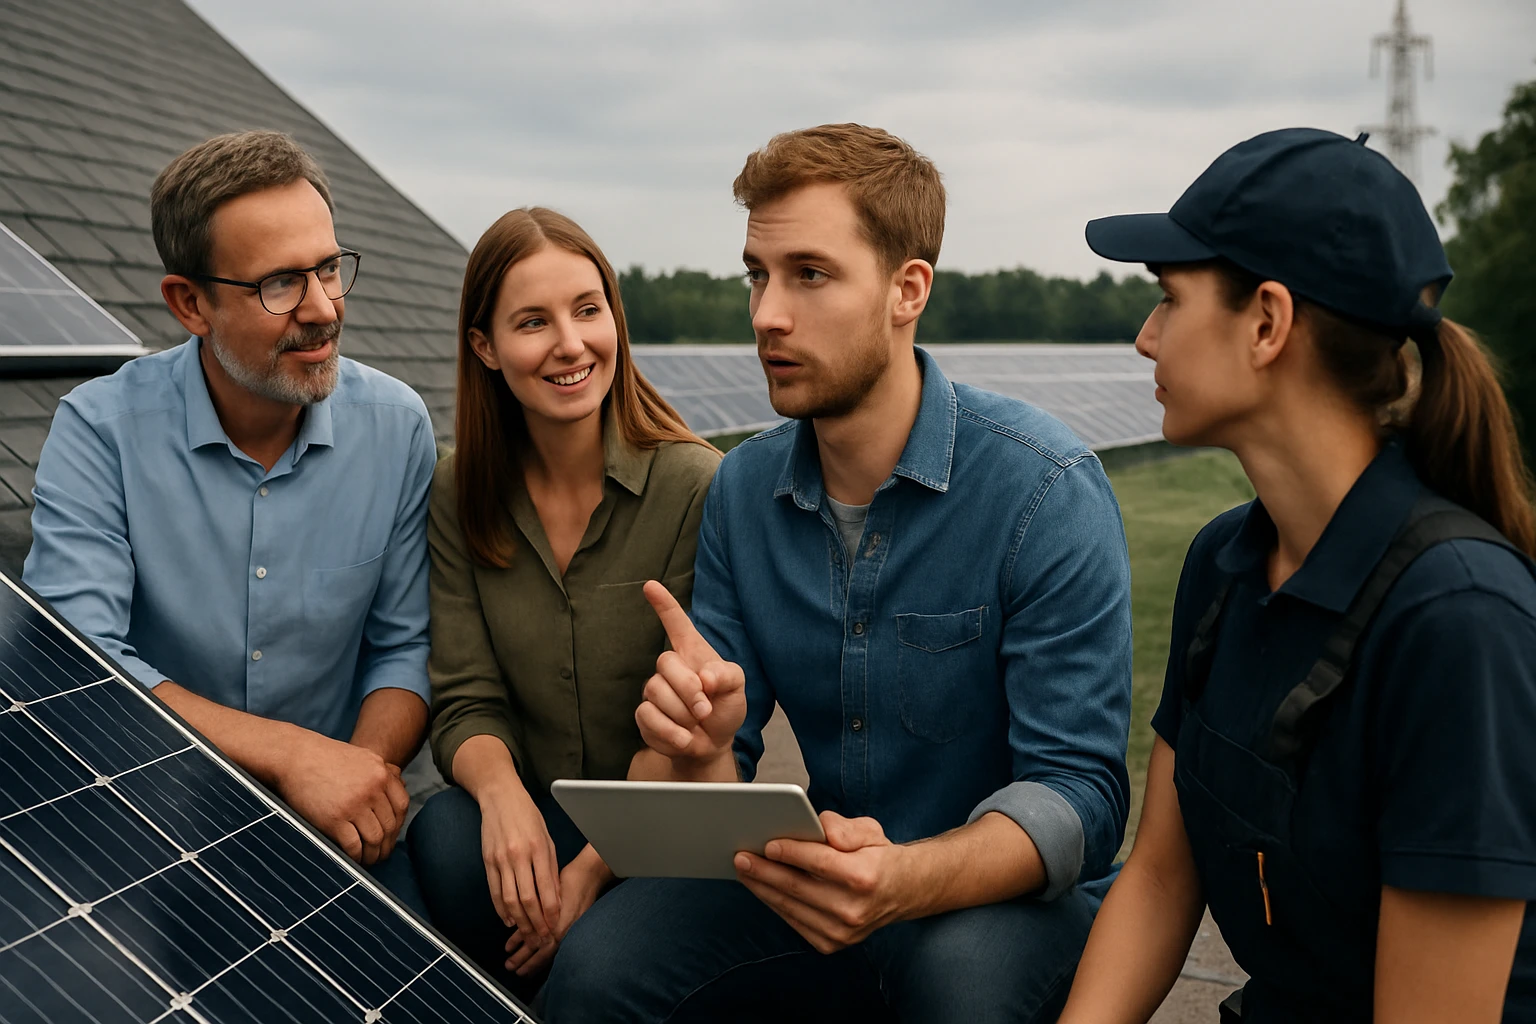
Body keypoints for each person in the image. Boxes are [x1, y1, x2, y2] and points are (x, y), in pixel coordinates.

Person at [539, 124, 1134, 1023]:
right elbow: (721, 778)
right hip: (820, 873)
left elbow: (1081, 796)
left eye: (810, 275)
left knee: (959, 984)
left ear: (908, 291)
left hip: (998, 903)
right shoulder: (744, 489)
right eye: (758, 275)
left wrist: (905, 878)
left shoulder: (1044, 489)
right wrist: (699, 747)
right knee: (598, 966)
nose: (767, 314)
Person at [1059, 128, 1536, 1023]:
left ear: (1269, 322)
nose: (1144, 336)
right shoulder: (1225, 564)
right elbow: (1162, 875)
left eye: (1168, 299)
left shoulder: (1458, 620)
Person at [23, 131, 435, 913]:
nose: (322, 308)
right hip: (150, 822)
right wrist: (289, 756)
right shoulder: (99, 431)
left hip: (339, 833)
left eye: (327, 267)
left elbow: (402, 648)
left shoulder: (398, 428)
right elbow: (82, 666)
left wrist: (355, 776)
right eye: (280, 283)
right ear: (190, 304)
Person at [406, 208, 720, 990]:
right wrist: (501, 792)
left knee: (590, 962)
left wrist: (586, 876)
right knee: (446, 834)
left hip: (661, 827)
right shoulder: (457, 491)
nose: (571, 344)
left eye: (588, 309)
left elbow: (695, 734)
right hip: (540, 814)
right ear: (485, 347)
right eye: (532, 322)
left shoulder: (696, 487)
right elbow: (465, 696)